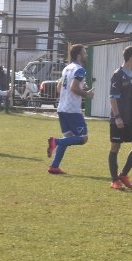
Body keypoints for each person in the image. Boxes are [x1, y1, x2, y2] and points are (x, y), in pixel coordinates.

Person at [46, 45, 95, 174]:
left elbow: (58, 88)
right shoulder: (80, 70)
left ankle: (54, 166)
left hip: (62, 107)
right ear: (79, 54)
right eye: (85, 52)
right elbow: (73, 88)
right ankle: (55, 142)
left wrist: (80, 86)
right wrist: (86, 94)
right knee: (83, 138)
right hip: (72, 109)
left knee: (68, 138)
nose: (86, 55)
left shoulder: (66, 68)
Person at [108, 46, 132, 190]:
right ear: (131, 58)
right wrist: (117, 117)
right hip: (119, 118)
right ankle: (114, 180)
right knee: (115, 146)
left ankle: (123, 175)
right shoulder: (117, 75)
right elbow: (113, 98)